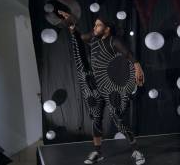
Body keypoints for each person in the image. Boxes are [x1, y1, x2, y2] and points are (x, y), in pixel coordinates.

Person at [58, 10, 145, 165]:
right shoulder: (93, 39)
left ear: (107, 29)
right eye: (95, 25)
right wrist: (72, 26)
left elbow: (128, 54)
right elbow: (79, 37)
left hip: (111, 87)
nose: (94, 28)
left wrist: (137, 67)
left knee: (117, 118)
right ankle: (98, 152)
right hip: (96, 85)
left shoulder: (114, 41)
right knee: (96, 119)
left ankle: (136, 150)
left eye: (98, 25)